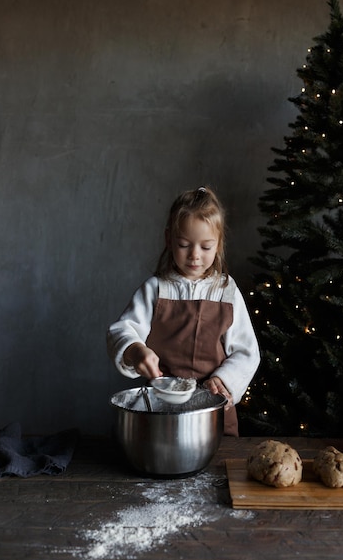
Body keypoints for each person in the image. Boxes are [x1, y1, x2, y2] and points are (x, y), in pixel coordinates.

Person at [107, 186, 260, 436]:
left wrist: (223, 380)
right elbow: (122, 331)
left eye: (206, 247)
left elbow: (247, 352)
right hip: (161, 409)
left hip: (213, 410)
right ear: (169, 240)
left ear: (219, 244)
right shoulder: (155, 290)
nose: (195, 256)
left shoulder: (226, 291)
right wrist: (136, 351)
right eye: (184, 244)